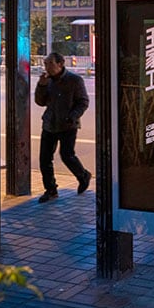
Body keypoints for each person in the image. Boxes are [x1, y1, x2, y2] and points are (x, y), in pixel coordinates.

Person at [34, 52, 91, 203]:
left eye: (50, 64)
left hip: (68, 125)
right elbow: (40, 102)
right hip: (49, 124)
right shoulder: (47, 81)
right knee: (45, 159)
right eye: (45, 64)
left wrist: (72, 116)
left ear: (60, 64)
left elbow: (83, 101)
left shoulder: (74, 80)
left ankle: (83, 175)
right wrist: (41, 86)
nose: (47, 67)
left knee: (67, 155)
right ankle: (51, 190)